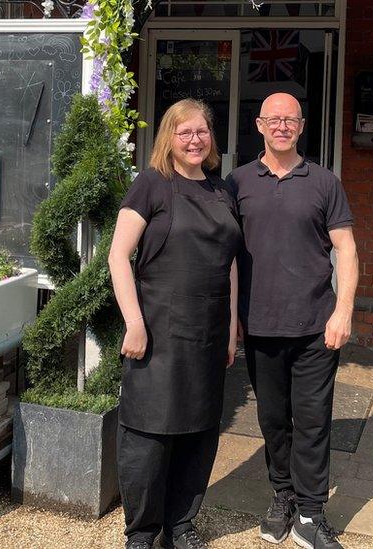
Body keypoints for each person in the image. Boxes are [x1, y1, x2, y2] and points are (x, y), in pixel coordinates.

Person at [108, 98, 242, 549]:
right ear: (169, 137)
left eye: (201, 131)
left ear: (211, 138)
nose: (194, 140)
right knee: (148, 434)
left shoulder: (222, 191)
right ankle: (142, 532)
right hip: (158, 330)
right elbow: (118, 257)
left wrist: (230, 327)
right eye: (184, 132)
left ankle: (182, 524)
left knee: (200, 430)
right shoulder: (150, 185)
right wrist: (134, 323)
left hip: (207, 331)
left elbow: (231, 265)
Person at [228, 92, 358, 549]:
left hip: (316, 326)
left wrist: (343, 310)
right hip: (260, 325)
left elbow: (346, 249)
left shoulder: (324, 182)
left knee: (313, 418)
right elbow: (226, 258)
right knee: (272, 420)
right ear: (260, 125)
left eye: (291, 120)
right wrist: (230, 322)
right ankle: (282, 495)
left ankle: (312, 512)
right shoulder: (238, 182)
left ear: (301, 127)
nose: (282, 126)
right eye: (274, 119)